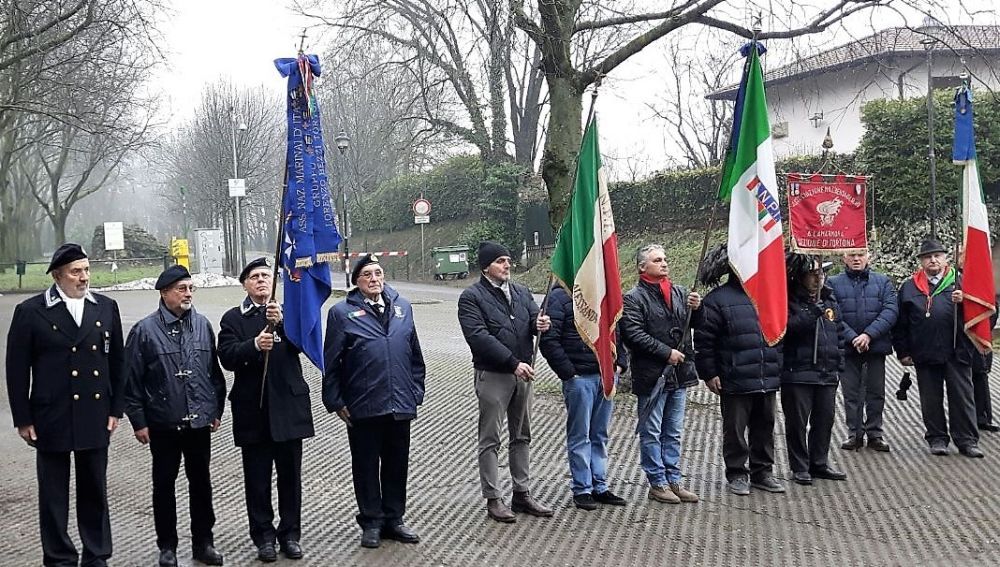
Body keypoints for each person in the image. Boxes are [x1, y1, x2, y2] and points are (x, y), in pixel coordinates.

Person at [5, 243, 125, 567]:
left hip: (95, 413)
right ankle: (59, 557)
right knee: (54, 494)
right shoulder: (31, 311)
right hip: (51, 414)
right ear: (58, 275)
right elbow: (16, 369)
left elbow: (118, 363)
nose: (84, 277)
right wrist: (23, 418)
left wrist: (116, 410)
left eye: (86, 270)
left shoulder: (105, 307)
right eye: (76, 271)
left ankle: (97, 553)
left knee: (94, 490)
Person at [124, 265, 227, 566]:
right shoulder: (144, 330)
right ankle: (167, 546)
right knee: (164, 486)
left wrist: (215, 409)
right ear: (164, 292)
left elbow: (213, 375)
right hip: (162, 423)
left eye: (191, 288)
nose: (188, 294)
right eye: (182, 288)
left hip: (198, 423)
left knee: (201, 484)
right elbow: (131, 381)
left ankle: (204, 544)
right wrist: (139, 421)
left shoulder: (203, 325)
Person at [323, 254, 426, 549]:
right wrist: (335, 400)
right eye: (367, 274)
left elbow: (415, 355)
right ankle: (371, 521)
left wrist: (415, 391)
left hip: (400, 404)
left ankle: (394, 518)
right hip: (362, 405)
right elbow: (332, 361)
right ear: (356, 281)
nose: (374, 279)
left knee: (396, 465)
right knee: (366, 466)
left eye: (378, 273)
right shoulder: (341, 313)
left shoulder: (402, 308)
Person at [218, 258, 313, 562]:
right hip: (253, 411)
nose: (261, 281)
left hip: (288, 407)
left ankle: (291, 535)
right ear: (245, 283)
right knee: (257, 481)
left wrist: (283, 322)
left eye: (266, 276)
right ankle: (263, 537)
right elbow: (227, 356)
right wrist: (255, 345)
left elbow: (304, 345)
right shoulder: (232, 318)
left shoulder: (289, 313)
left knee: (291, 478)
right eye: (255, 277)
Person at [458, 241, 553, 523]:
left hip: (524, 374)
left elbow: (533, 318)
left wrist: (540, 324)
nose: (507, 265)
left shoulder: (522, 292)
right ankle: (493, 498)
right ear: (486, 266)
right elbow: (479, 337)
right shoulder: (471, 297)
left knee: (522, 435)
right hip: (495, 375)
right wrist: (513, 363)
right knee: (490, 439)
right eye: (500, 261)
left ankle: (522, 493)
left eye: (508, 260)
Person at [694, 244, 785, 496]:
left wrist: (777, 365)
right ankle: (736, 473)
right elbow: (703, 341)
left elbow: (780, 334)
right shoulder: (716, 300)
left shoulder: (769, 296)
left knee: (765, 426)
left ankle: (763, 471)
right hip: (734, 378)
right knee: (735, 429)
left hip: (766, 376)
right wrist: (709, 373)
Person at [619, 244, 702, 505]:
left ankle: (674, 479)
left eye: (665, 259)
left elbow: (695, 325)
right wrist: (666, 352)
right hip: (652, 375)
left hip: (679, 374)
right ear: (643, 267)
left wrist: (697, 309)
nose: (664, 263)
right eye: (657, 260)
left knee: (674, 430)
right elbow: (633, 334)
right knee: (652, 430)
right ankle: (657, 481)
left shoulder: (679, 292)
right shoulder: (633, 298)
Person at [539, 282, 629, 510]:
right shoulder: (558, 298)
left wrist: (620, 363)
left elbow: (615, 329)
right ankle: (582, 488)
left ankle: (600, 485)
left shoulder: (602, 291)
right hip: (580, 379)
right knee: (580, 435)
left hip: (606, 376)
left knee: (600, 434)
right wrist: (570, 373)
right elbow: (549, 341)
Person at [894, 239, 983, 458]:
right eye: (927, 257)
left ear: (946, 258)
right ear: (921, 261)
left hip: (957, 350)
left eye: (937, 256)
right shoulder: (909, 286)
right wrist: (903, 351)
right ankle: (937, 438)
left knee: (962, 397)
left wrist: (966, 301)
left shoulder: (962, 283)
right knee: (930, 399)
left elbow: (987, 310)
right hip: (925, 352)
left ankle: (967, 440)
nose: (933, 260)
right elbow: (900, 323)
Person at [781, 254, 847, 485]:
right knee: (797, 423)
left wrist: (839, 361)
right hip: (797, 371)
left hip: (827, 372)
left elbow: (838, 332)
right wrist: (811, 314)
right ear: (801, 277)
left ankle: (819, 462)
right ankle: (799, 466)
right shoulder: (788, 299)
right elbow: (785, 330)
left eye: (822, 273)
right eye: (813, 274)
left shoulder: (829, 298)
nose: (818, 278)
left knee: (825, 420)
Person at [827, 250, 898, 452]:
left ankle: (875, 433)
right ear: (844, 258)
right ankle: (854, 433)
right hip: (848, 348)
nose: (856, 259)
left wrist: (869, 334)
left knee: (876, 392)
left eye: (861, 254)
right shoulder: (833, 283)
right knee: (851, 393)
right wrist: (852, 337)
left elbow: (890, 310)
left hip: (875, 346)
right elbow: (832, 312)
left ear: (869, 256)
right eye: (852, 255)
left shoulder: (883, 281)